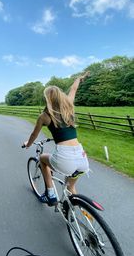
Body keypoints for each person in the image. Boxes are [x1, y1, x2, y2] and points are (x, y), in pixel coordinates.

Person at [23, 72, 90, 206]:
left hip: (65, 158)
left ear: (47, 99)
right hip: (82, 158)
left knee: (42, 159)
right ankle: (75, 212)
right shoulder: (69, 106)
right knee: (71, 187)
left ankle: (51, 195)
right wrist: (78, 79)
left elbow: (34, 135)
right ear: (60, 96)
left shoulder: (44, 116)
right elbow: (73, 89)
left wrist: (28, 144)